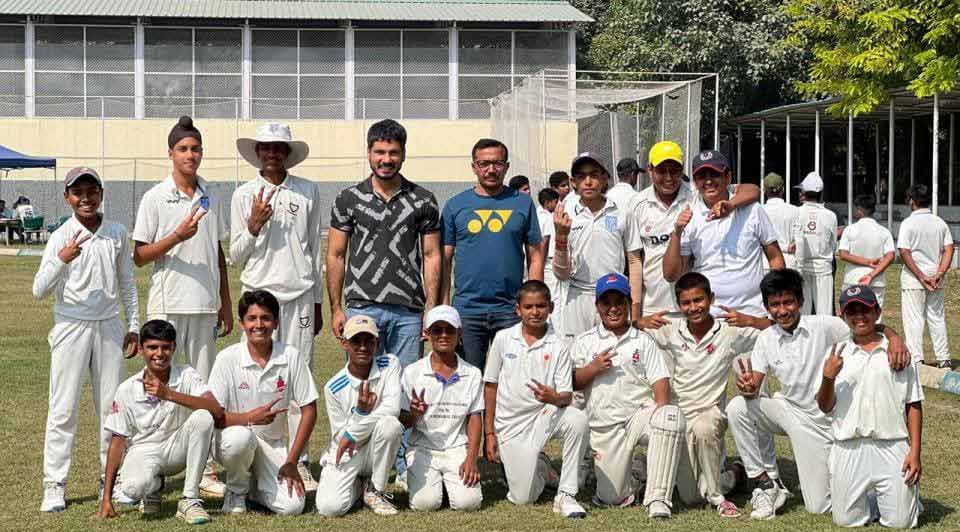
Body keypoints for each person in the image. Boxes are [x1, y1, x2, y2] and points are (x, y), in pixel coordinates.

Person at [726, 269, 910, 521]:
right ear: (767, 307)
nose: (782, 310)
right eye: (775, 305)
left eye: (788, 302)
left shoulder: (824, 325)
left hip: (827, 422)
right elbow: (754, 386)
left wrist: (894, 337)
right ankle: (765, 483)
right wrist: (747, 387)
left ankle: (878, 497)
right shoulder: (767, 338)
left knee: (819, 506)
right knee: (738, 407)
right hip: (790, 412)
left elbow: (865, 324)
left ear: (801, 301)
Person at [133, 116, 232, 496]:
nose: (190, 155)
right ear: (171, 153)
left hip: (204, 306)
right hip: (167, 305)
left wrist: (225, 301)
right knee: (160, 388)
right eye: (183, 149)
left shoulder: (211, 195)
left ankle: (204, 469)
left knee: (201, 389)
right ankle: (151, 462)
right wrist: (177, 236)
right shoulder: (155, 197)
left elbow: (217, 251)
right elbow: (140, 256)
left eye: (195, 149)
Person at [33, 167, 140, 513]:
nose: (86, 199)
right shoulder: (60, 236)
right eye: (78, 192)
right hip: (71, 325)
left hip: (108, 325)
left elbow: (127, 282)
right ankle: (54, 484)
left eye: (92, 191)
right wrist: (61, 260)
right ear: (67, 198)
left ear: (101, 194)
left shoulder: (116, 233)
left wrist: (134, 324)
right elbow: (38, 289)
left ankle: (111, 479)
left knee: (112, 408)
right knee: (63, 408)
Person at [232, 122, 323, 489]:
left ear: (287, 153)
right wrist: (252, 226)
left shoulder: (308, 191)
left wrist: (318, 302)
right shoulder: (243, 195)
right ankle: (254, 457)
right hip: (258, 299)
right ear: (257, 153)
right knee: (254, 379)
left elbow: (314, 250)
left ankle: (298, 460)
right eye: (266, 148)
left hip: (299, 296)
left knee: (299, 380)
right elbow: (235, 256)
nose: (272, 154)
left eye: (278, 148)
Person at [644, 272, 766, 518]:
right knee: (691, 497)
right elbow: (628, 329)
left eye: (698, 300)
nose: (693, 308)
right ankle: (735, 473)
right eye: (686, 303)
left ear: (711, 298)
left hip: (711, 415)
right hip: (680, 420)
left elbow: (776, 330)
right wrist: (639, 321)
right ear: (679, 305)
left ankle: (718, 498)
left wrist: (751, 320)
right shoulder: (670, 329)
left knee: (704, 427)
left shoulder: (729, 331)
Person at [570, 273, 683, 519]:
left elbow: (660, 382)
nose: (613, 309)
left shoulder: (643, 340)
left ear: (629, 304)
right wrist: (593, 368)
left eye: (619, 302)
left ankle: (658, 499)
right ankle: (637, 471)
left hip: (639, 416)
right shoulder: (584, 342)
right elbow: (571, 383)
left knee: (670, 417)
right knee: (613, 498)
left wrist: (662, 418)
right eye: (606, 303)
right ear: (597, 306)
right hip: (604, 426)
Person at [328, 119, 441, 364]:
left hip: (408, 312)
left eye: (393, 152)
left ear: (404, 154)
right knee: (364, 380)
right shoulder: (348, 199)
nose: (386, 159)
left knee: (406, 383)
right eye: (379, 152)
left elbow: (432, 255)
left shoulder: (423, 200)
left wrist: (431, 307)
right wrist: (336, 309)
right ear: (369, 152)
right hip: (362, 307)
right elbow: (336, 255)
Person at [816, 285, 923, 528]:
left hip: (892, 442)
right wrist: (828, 377)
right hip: (848, 444)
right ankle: (880, 498)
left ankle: (901, 498)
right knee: (845, 520)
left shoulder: (900, 352)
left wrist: (915, 452)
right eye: (851, 312)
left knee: (900, 523)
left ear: (877, 312)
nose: (859, 317)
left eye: (865, 310)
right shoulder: (836, 353)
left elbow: (914, 404)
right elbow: (824, 406)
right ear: (843, 316)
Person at [96, 320, 223, 524]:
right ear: (141, 349)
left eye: (165, 347)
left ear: (174, 347)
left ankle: (189, 500)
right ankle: (153, 488)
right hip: (144, 450)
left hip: (177, 448)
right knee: (132, 488)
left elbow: (215, 408)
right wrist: (106, 499)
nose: (159, 353)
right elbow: (117, 441)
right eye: (152, 347)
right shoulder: (127, 389)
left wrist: (168, 394)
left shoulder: (186, 374)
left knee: (203, 417)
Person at [483, 280, 588, 518]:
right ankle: (541, 467)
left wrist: (554, 397)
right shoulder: (503, 338)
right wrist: (490, 433)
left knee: (577, 419)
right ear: (517, 309)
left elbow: (566, 395)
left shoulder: (559, 345)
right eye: (528, 307)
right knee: (522, 498)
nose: (535, 312)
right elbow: (490, 385)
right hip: (510, 425)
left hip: (543, 415)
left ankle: (566, 494)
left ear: (550, 307)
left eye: (540, 306)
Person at [208, 290, 318, 516]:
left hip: (272, 445)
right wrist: (250, 418)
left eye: (266, 318)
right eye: (252, 318)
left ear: (276, 323)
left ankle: (254, 490)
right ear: (242, 323)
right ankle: (236, 491)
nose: (259, 325)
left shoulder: (290, 356)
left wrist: (292, 461)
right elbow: (215, 416)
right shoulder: (227, 358)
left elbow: (309, 409)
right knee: (241, 438)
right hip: (231, 439)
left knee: (293, 506)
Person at [441, 138, 544, 370]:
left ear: (506, 167)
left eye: (497, 163)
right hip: (466, 310)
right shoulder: (455, 205)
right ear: (474, 167)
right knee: (468, 380)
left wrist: (533, 302)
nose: (491, 170)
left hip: (510, 310)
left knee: (514, 378)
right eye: (484, 164)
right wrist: (445, 308)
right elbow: (444, 262)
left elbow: (536, 257)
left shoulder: (523, 204)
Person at [635, 142, 760, 324]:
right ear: (650, 170)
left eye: (675, 171)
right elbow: (634, 262)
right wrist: (636, 318)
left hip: (692, 307)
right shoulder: (637, 205)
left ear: (683, 171)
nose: (668, 177)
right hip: (652, 307)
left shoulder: (697, 194)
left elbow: (752, 190)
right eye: (662, 171)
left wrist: (731, 205)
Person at [663, 150, 783, 318]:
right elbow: (671, 275)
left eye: (715, 174)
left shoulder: (752, 209)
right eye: (701, 176)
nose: (708, 181)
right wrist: (676, 233)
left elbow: (775, 257)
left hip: (753, 314)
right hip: (709, 317)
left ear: (728, 177)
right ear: (695, 182)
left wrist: (777, 300)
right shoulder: (689, 215)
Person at [315, 314, 404, 517]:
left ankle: (375, 489)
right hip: (348, 453)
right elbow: (340, 437)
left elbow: (392, 408)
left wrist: (354, 431)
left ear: (377, 343)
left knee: (390, 425)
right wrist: (361, 413)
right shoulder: (333, 387)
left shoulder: (390, 364)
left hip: (374, 448)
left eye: (368, 341)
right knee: (329, 508)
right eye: (356, 340)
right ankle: (358, 485)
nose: (363, 347)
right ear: (344, 343)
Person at [400, 305, 483, 512]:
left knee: (469, 503)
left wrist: (471, 458)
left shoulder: (472, 373)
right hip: (422, 448)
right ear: (427, 334)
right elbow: (404, 422)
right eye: (437, 330)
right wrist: (414, 414)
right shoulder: (412, 372)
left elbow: (475, 417)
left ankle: (446, 483)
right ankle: (435, 483)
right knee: (424, 504)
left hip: (457, 448)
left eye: (450, 330)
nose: (444, 335)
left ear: (459, 334)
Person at [551, 152, 642, 338]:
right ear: (573, 182)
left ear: (605, 178)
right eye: (581, 176)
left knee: (615, 353)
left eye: (594, 175)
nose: (588, 182)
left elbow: (634, 261)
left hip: (614, 296)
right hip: (577, 295)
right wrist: (561, 236)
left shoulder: (621, 211)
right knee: (577, 354)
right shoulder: (565, 214)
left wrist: (635, 310)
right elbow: (561, 274)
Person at [898, 184, 955, 368]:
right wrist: (939, 273)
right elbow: (949, 249)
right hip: (934, 276)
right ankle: (944, 359)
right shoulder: (939, 222)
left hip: (914, 278)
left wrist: (921, 276)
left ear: (912, 201)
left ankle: (916, 359)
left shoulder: (908, 223)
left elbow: (904, 251)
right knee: (936, 317)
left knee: (914, 320)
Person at [837, 194, 895, 314]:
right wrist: (871, 273)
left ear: (859, 210)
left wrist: (867, 262)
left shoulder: (850, 229)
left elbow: (843, 254)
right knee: (875, 316)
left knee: (851, 315)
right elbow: (890, 256)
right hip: (876, 280)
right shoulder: (884, 231)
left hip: (853, 278)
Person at [792, 172, 838, 315]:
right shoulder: (830, 215)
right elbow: (833, 244)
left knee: (803, 313)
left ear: (803, 193)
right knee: (824, 313)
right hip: (823, 268)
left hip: (801, 267)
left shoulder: (796, 212)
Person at [761, 173, 799, 271]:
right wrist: (786, 247)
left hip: (765, 262)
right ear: (783, 189)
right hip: (789, 263)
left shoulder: (759, 211)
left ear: (764, 190)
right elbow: (799, 240)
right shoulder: (795, 210)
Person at [537, 188, 560, 296]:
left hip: (540, 260)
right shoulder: (548, 218)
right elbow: (544, 242)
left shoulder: (537, 215)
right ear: (547, 203)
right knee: (553, 293)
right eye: (555, 202)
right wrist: (540, 267)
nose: (558, 204)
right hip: (548, 261)